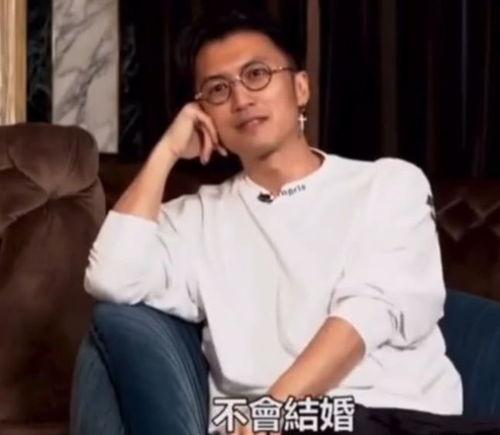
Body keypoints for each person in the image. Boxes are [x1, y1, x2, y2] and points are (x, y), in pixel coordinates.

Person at [81, 9, 500, 435]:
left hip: (390, 416)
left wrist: (274, 411)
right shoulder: (196, 218)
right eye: (218, 89)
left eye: (257, 74)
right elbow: (111, 278)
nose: (241, 99)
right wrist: (166, 151)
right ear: (202, 112)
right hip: (262, 423)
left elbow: (370, 311)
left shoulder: (388, 184)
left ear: (301, 88)